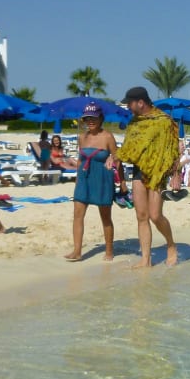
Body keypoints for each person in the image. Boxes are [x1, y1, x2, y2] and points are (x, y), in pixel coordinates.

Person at [117, 86, 179, 267]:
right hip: (139, 171)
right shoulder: (134, 123)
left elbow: (172, 150)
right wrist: (117, 157)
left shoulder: (164, 122)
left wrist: (175, 174)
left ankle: (171, 245)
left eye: (129, 103)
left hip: (158, 173)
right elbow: (129, 147)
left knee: (155, 215)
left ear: (140, 102)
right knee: (141, 215)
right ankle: (146, 259)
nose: (128, 107)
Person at [65, 102, 121, 261]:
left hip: (103, 179)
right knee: (77, 214)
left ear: (100, 118)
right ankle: (77, 251)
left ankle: (109, 251)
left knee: (105, 217)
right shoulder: (82, 138)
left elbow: (118, 158)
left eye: (93, 118)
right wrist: (77, 180)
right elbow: (81, 160)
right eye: (87, 118)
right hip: (84, 179)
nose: (90, 121)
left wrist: (122, 182)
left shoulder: (107, 137)